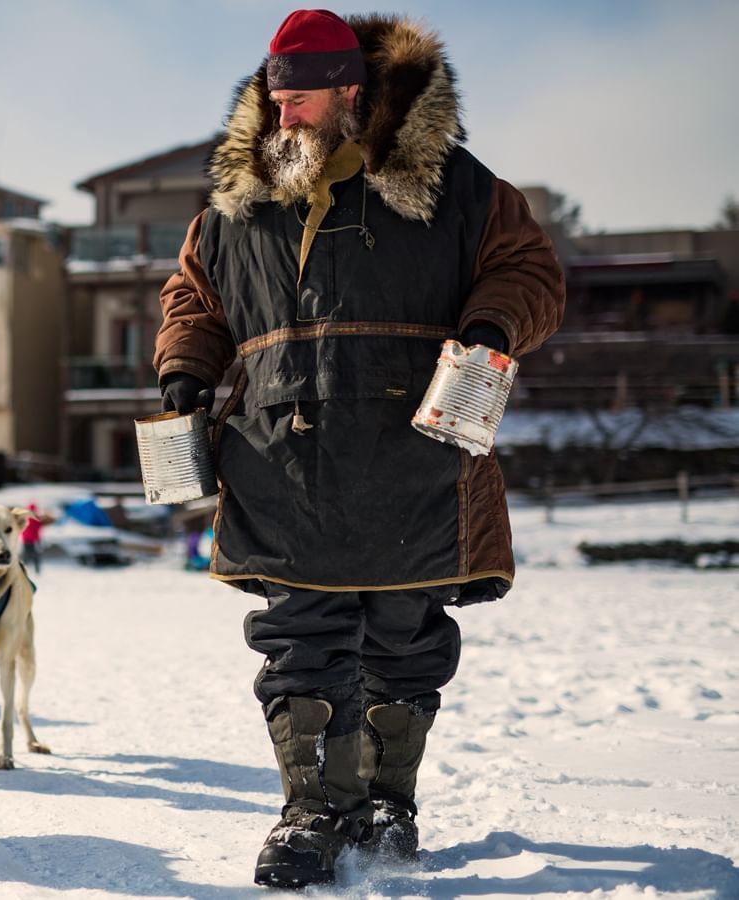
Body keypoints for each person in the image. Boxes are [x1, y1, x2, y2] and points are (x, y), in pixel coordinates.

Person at [152, 9, 564, 888]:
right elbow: (194, 298)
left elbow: (528, 266)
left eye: (298, 96)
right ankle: (312, 811)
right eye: (274, 95)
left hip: (414, 451)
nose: (283, 112)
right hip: (280, 455)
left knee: (404, 633)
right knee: (300, 636)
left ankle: (386, 802)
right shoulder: (233, 208)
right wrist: (186, 368)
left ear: (351, 90)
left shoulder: (458, 187)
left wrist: (493, 323)